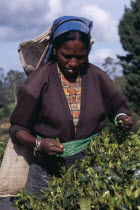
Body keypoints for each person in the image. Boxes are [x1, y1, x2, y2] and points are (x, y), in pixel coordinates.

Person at [9, 16, 134, 196]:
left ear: (88, 52)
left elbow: (118, 107)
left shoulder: (97, 77)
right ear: (55, 50)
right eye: (66, 56)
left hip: (92, 170)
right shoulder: (37, 82)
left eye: (80, 57)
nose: (73, 63)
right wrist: (39, 142)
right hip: (46, 174)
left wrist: (122, 118)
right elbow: (18, 129)